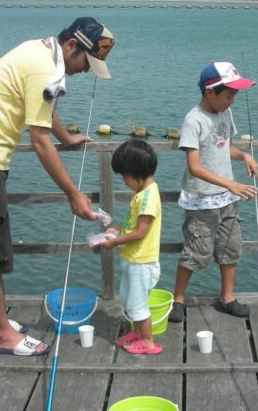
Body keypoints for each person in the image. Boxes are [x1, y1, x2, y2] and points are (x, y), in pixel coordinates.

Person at [0, 17, 115, 357]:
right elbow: (38, 141)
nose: (84, 71)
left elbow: (41, 113)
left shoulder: (38, 53)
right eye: (85, 62)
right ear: (71, 46)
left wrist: (66, 137)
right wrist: (74, 194)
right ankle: (3, 335)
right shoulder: (44, 69)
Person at [168, 62, 258, 323]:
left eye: (234, 97)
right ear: (210, 92)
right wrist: (229, 183)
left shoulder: (225, 114)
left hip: (228, 199)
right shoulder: (193, 119)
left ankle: (227, 298)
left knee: (231, 248)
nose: (231, 102)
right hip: (201, 200)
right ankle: (179, 300)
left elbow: (224, 148)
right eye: (228, 96)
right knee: (197, 251)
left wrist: (243, 156)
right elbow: (194, 167)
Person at [102, 139, 162, 354]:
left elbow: (141, 232)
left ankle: (148, 342)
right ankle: (137, 333)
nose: (123, 181)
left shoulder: (148, 197)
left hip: (141, 262)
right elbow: (131, 223)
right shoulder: (139, 194)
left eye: (124, 175)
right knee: (128, 301)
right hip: (132, 259)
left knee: (138, 305)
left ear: (136, 171)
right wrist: (116, 229)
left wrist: (115, 242)